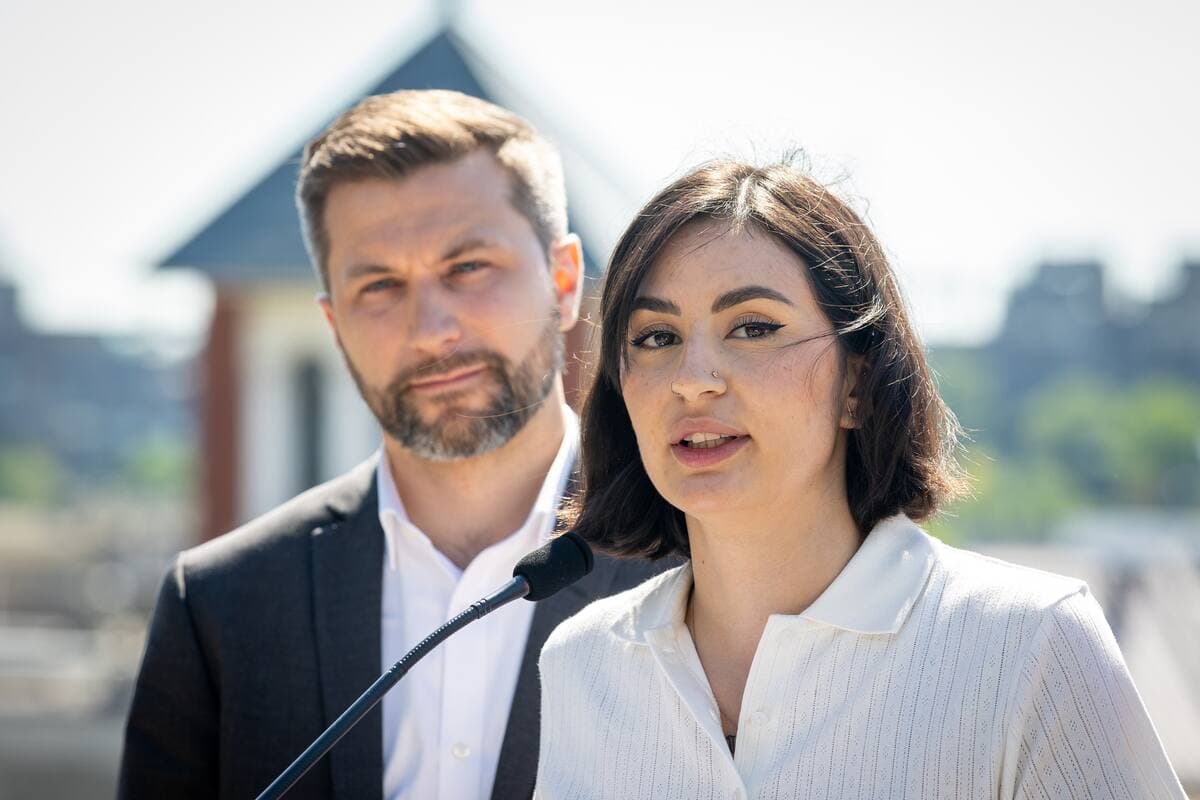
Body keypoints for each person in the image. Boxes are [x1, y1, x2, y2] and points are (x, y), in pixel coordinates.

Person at [535, 158, 1187, 798]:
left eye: (753, 328)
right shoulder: (581, 662)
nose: (693, 379)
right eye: (655, 337)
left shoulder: (1031, 642)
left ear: (857, 380)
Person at [118, 90, 663, 800]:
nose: (431, 329)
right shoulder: (218, 605)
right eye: (379, 284)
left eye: (468, 267)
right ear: (336, 326)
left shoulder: (695, 562)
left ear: (562, 282)